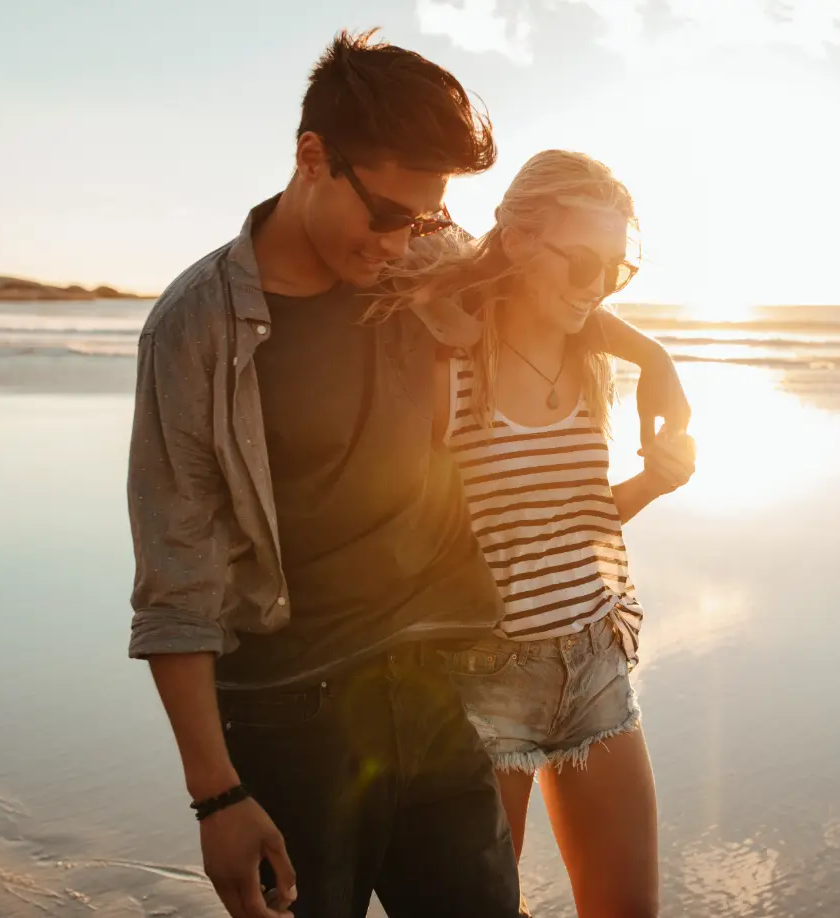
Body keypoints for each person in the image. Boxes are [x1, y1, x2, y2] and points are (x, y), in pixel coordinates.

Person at [126, 30, 689, 918]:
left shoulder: (419, 256)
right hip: (296, 707)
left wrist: (650, 357)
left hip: (442, 687)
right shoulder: (199, 329)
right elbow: (176, 579)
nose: (403, 241)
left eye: (424, 220)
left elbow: (535, 284)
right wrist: (217, 796)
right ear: (312, 157)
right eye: (389, 214)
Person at [373, 150, 694, 917]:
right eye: (581, 262)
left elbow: (572, 522)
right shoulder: (448, 363)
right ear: (516, 240)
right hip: (482, 677)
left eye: (615, 271)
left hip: (594, 660)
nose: (596, 286)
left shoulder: (588, 358)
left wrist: (653, 480)